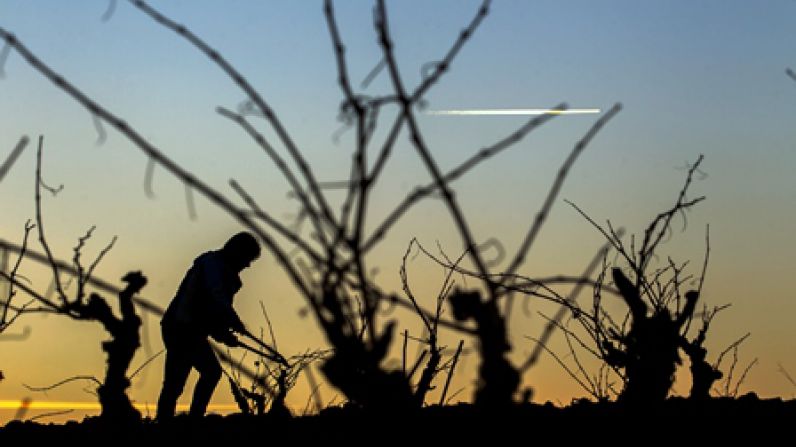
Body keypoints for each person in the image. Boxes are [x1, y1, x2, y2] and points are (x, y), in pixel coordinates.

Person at [156, 231, 260, 420]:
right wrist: (232, 321)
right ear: (237, 252)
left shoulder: (225, 274)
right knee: (183, 381)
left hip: (189, 331)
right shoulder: (211, 265)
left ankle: (182, 420)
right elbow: (216, 299)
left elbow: (211, 315)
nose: (247, 265)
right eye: (247, 259)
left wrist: (224, 333)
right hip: (181, 329)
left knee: (203, 375)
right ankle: (177, 422)